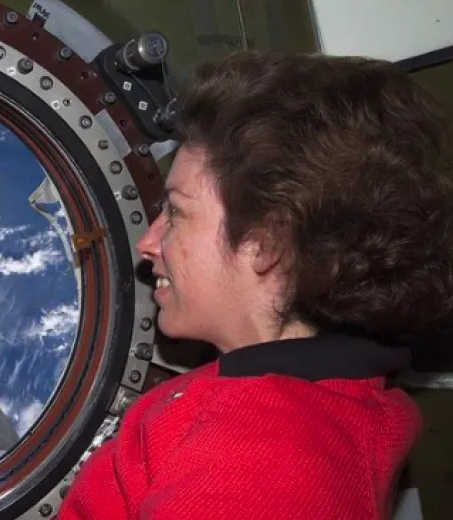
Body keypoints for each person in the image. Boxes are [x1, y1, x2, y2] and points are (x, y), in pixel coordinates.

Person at [59, 50, 453, 519]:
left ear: (267, 243)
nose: (147, 243)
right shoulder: (321, 397)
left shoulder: (255, 479)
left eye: (177, 213)